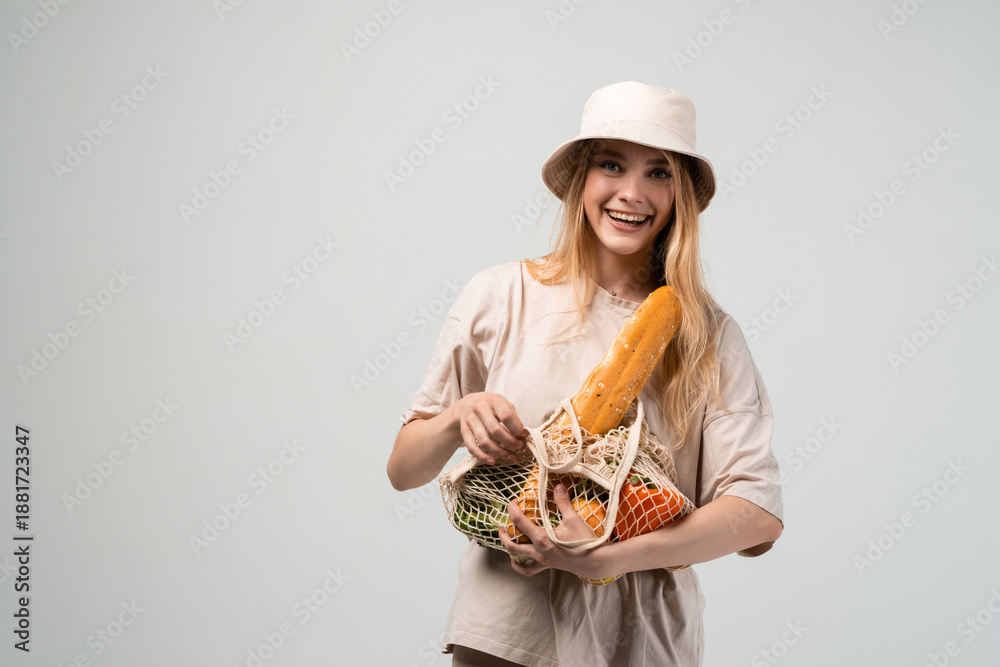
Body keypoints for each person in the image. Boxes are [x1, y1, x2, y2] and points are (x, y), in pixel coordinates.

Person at [387, 81, 784, 667]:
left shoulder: (708, 335)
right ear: (581, 178)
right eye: (611, 165)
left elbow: (757, 517)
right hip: (505, 632)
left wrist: (607, 559)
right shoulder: (501, 294)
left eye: (658, 172)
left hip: (641, 642)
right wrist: (456, 418)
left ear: (679, 194)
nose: (631, 193)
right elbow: (404, 470)